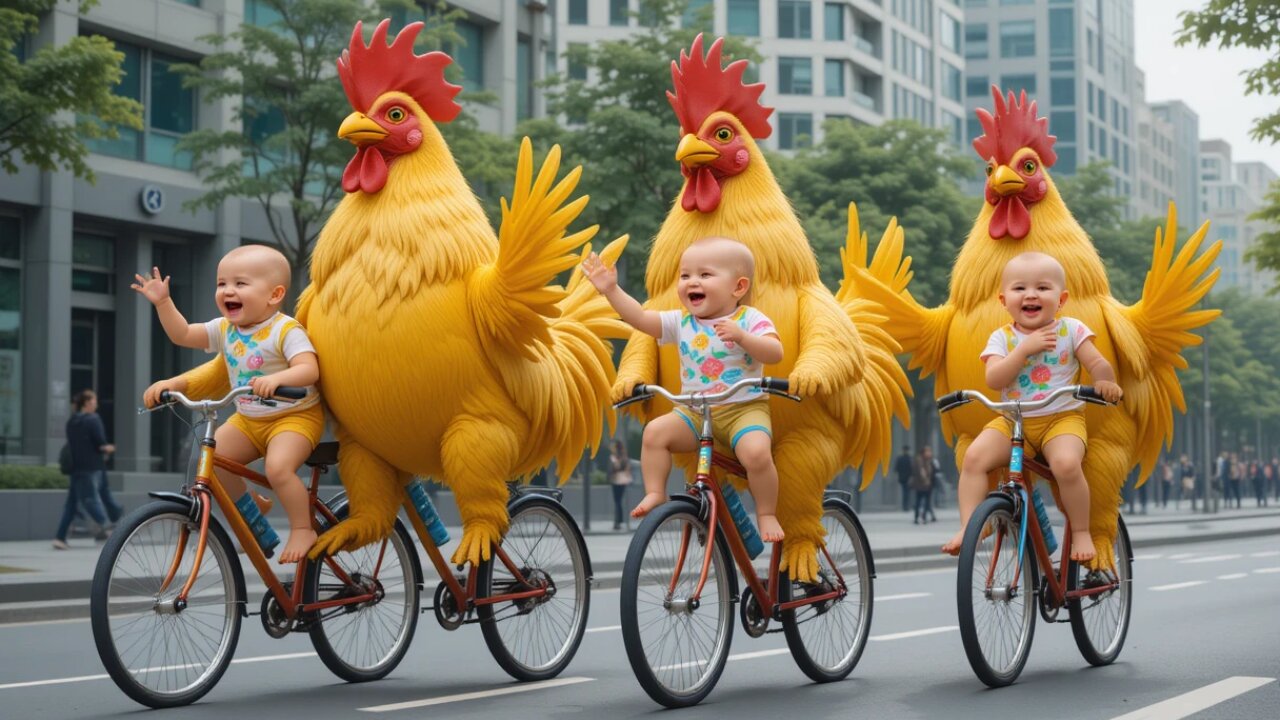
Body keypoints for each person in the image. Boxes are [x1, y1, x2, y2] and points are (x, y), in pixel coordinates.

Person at [582, 237, 786, 542]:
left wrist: (743, 337)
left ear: (739, 287)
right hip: (693, 412)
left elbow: (774, 352)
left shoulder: (749, 318)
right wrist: (611, 290)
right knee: (654, 433)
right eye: (685, 275)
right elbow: (639, 318)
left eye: (705, 275)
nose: (692, 281)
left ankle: (766, 512)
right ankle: (655, 492)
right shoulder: (681, 323)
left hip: (743, 410)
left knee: (756, 454)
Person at [134, 246, 324, 563]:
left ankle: (303, 527)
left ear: (275, 295)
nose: (227, 291)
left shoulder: (285, 330)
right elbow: (183, 334)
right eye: (222, 283)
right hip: (249, 419)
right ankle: (252, 507)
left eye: (240, 283)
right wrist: (164, 303)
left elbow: (309, 369)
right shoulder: (225, 329)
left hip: (294, 418)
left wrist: (278, 380)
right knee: (214, 461)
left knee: (278, 469)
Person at [942, 252, 1122, 561]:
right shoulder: (1002, 338)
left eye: (1042, 288)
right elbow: (995, 378)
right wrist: (1024, 349)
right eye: (1019, 288)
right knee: (973, 458)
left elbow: (1097, 362)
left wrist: (1106, 381)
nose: (1031, 295)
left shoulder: (1071, 330)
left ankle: (1080, 531)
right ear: (1003, 299)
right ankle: (970, 526)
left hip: (1061, 419)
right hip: (1013, 423)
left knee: (1066, 464)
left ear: (1061, 298)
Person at [54, 389, 116, 549]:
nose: (96, 404)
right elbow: (100, 442)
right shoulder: (93, 419)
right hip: (92, 466)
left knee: (72, 504)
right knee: (92, 499)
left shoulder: (72, 421)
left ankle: (60, 538)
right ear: (87, 403)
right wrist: (108, 448)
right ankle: (108, 528)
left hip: (76, 468)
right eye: (94, 401)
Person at [609, 439, 633, 530]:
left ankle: (618, 522)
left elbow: (616, 467)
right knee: (618, 501)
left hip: (617, 480)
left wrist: (615, 461)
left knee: (617, 502)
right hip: (622, 481)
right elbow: (628, 468)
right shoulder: (624, 456)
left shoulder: (616, 457)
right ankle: (619, 521)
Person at [911, 446, 938, 524]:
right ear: (923, 452)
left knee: (925, 501)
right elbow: (921, 471)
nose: (930, 453)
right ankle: (919, 517)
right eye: (928, 451)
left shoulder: (929, 460)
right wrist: (926, 480)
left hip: (926, 485)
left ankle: (922, 517)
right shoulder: (920, 460)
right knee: (920, 501)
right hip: (923, 485)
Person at [894, 445, 913, 512]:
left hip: (902, 478)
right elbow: (912, 469)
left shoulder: (900, 458)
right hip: (908, 478)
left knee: (904, 492)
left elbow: (896, 469)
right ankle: (906, 506)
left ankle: (905, 506)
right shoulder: (910, 458)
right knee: (907, 492)